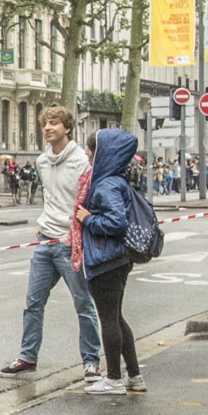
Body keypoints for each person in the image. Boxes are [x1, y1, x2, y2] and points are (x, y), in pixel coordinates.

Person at [0, 106, 101, 380]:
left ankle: (91, 361)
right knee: (33, 303)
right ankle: (27, 357)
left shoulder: (82, 162)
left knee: (83, 304)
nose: (47, 128)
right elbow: (52, 197)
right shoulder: (42, 162)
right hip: (46, 241)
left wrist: (78, 230)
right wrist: (43, 221)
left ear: (67, 128)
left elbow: (89, 200)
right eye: (45, 123)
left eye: (54, 123)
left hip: (70, 243)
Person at [75, 129, 145, 395]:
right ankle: (134, 376)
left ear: (102, 153)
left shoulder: (105, 184)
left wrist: (87, 218)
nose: (87, 154)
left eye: (91, 150)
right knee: (116, 317)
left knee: (108, 319)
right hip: (117, 258)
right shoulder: (117, 180)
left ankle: (114, 378)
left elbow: (116, 222)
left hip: (106, 258)